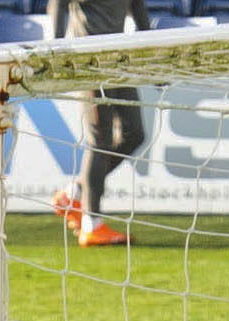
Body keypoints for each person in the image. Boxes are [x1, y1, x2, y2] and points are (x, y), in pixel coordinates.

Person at [48, 0, 151, 247]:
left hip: (117, 59)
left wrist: (152, 56)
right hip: (89, 60)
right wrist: (56, 48)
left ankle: (75, 194)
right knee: (100, 138)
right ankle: (91, 224)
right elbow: (58, 3)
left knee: (135, 134)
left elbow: (137, 6)